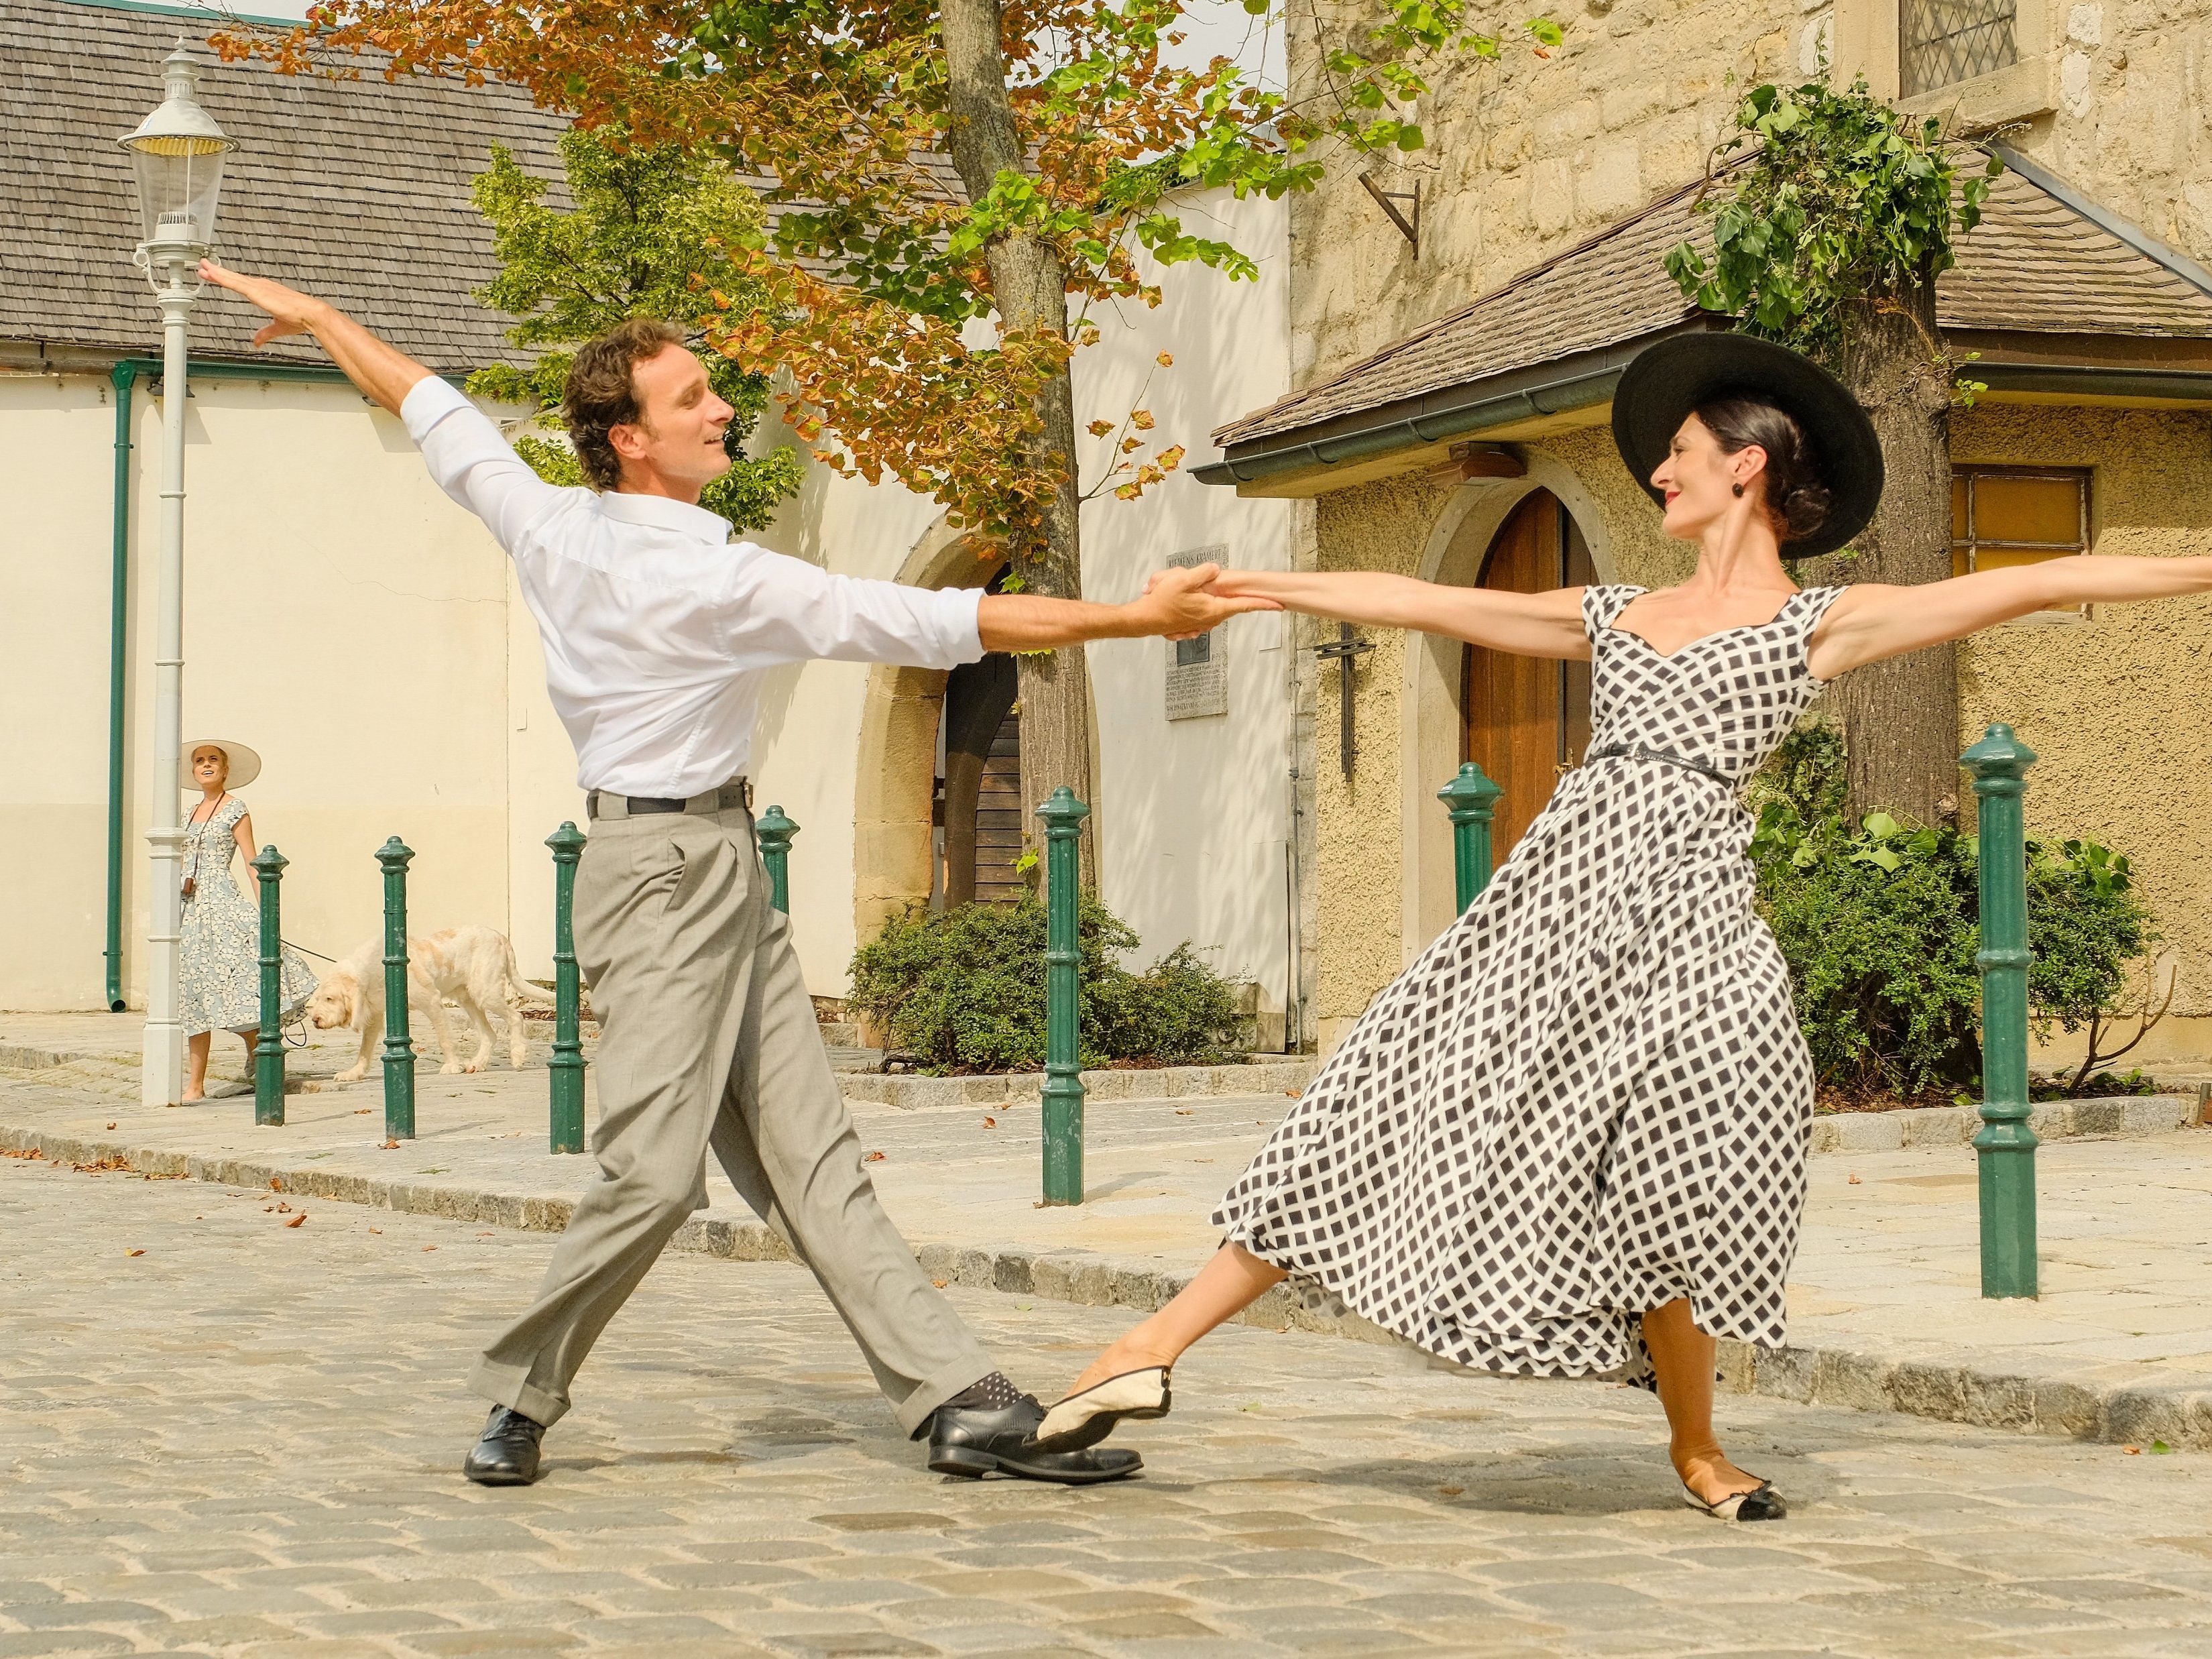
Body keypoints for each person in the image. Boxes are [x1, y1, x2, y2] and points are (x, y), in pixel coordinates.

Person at [1031, 332, 2212, 1521]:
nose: (1659, 470)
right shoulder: (1613, 612)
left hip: (1695, 923)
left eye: (1680, 451)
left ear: (1746, 465)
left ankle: (1695, 1443)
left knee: (1702, 1146)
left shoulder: (1816, 624)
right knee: (1379, 1099)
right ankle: (1142, 1345)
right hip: (1549, 918)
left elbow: (2041, 580)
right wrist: (1258, 585)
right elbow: (1419, 598)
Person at [200, 259, 1274, 1490]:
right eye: (695, 396)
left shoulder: (545, 515)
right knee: (653, 1173)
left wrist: (329, 312)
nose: (722, 408)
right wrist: (1136, 623)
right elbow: (943, 626)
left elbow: (427, 405)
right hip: (658, 876)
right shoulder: (718, 577)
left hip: (710, 859)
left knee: (813, 1156)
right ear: (630, 438)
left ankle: (958, 1398)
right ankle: (517, 1392)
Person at [177, 738, 316, 1103]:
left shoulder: (235, 809)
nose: (205, 765)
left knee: (240, 980)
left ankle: (258, 1045)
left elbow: (251, 861)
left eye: (213, 760)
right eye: (199, 760)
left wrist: (267, 911)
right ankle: (195, 1084)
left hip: (223, 903)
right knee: (195, 991)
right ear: (193, 771)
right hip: (188, 908)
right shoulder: (186, 815)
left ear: (225, 770)